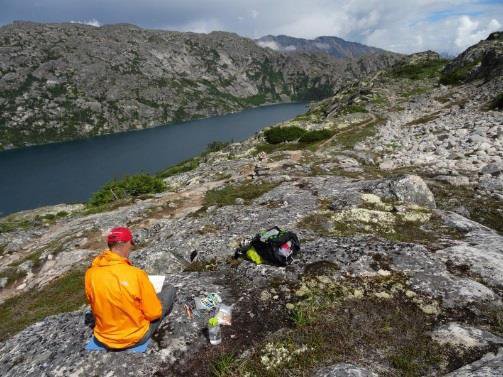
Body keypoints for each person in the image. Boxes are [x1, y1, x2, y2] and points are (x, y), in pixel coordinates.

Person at [84, 226, 176, 350]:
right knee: (169, 289)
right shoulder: (136, 274)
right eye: (131, 242)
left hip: (103, 338)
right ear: (126, 243)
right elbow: (154, 314)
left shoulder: (90, 274)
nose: (132, 246)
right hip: (134, 337)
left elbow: (94, 303)